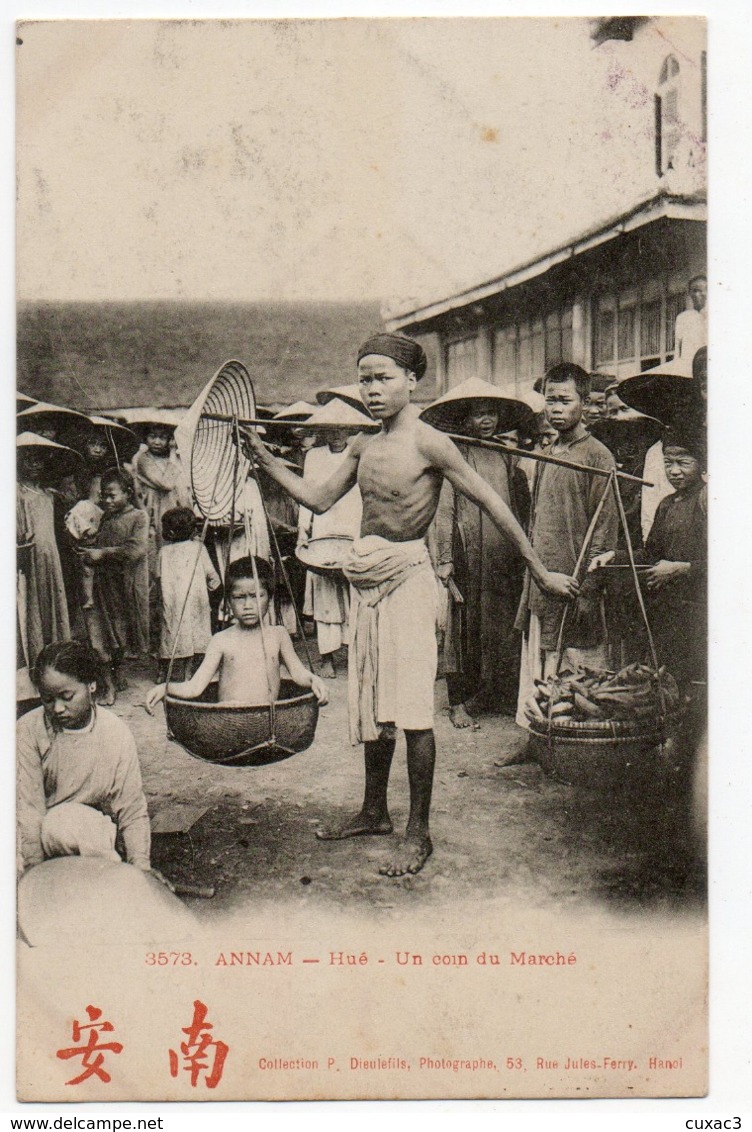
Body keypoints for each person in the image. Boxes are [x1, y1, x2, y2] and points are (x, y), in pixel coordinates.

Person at [240, 332, 578, 877]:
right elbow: (319, 499)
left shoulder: (431, 443)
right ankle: (374, 811)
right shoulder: (362, 445)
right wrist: (263, 461)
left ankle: (418, 832)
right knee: (374, 704)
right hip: (367, 585)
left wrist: (540, 570)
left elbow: (492, 503)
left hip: (410, 583)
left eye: (383, 378)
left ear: (412, 381)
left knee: (415, 712)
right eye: (365, 379)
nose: (372, 390)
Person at [515, 363, 618, 729]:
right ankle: (534, 738)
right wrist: (533, 577)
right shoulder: (548, 450)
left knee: (576, 675)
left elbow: (604, 530)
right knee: (539, 665)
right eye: (549, 400)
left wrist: (589, 590)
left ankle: (567, 747)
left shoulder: (597, 455)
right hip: (544, 578)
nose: (555, 408)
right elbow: (535, 520)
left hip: (574, 584)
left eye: (564, 400)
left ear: (585, 403)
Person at [433, 395, 530, 726]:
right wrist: (444, 557)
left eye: (491, 414)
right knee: (463, 626)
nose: (486, 421)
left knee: (498, 624)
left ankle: (493, 692)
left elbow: (511, 506)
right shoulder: (455, 453)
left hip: (501, 553)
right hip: (467, 549)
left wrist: (521, 550)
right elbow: (444, 508)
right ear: (466, 419)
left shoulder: (504, 455)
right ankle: (458, 701)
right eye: (478, 415)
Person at [17, 640, 151, 877]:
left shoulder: (115, 733)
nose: (57, 708)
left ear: (91, 685)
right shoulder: (27, 731)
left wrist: (141, 866)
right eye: (48, 699)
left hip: (86, 834)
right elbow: (29, 811)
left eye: (66, 696)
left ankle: (118, 879)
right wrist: (34, 877)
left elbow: (131, 807)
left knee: (67, 823)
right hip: (32, 834)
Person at [146, 555, 328, 711]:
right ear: (229, 602)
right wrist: (165, 688)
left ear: (270, 598)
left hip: (267, 721)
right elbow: (194, 687)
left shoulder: (278, 635)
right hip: (230, 723)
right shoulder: (221, 640)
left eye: (256, 596)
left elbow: (298, 673)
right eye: (239, 597)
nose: (248, 606)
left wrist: (314, 680)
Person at [298, 417, 363, 679]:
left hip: (354, 526)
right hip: (324, 528)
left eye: (342, 427)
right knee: (324, 593)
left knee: (355, 592)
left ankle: (355, 651)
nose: (337, 434)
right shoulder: (314, 456)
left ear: (350, 428)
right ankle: (327, 657)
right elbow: (307, 493)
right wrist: (304, 529)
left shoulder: (360, 452)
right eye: (331, 429)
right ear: (323, 431)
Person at [642, 427, 707, 689]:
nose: (675, 471)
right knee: (670, 677)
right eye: (668, 463)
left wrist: (683, 569)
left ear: (701, 462)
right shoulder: (667, 504)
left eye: (683, 462)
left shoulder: (709, 499)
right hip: (670, 609)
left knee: (697, 679)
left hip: (700, 607)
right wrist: (614, 555)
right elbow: (651, 554)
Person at [81, 469, 149, 704]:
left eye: (112, 495)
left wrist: (102, 554)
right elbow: (102, 543)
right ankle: (107, 687)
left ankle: (117, 674)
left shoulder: (139, 517)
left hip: (123, 588)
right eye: (103, 496)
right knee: (100, 637)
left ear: (128, 493)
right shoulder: (106, 517)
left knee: (119, 636)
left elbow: (136, 549)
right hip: (102, 586)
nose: (107, 501)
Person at [17, 439, 71, 668]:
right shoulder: (17, 491)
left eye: (39, 460)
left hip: (51, 555)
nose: (35, 465)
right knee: (32, 604)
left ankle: (55, 657)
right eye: (29, 459)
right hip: (30, 555)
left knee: (52, 604)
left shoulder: (49, 494)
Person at [158, 507, 221, 682]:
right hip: (195, 601)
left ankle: (163, 671)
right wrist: (211, 590)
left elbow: (158, 578)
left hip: (172, 602)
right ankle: (187, 673)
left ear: (170, 531)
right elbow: (213, 577)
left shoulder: (163, 552)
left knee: (170, 634)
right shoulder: (198, 549)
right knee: (193, 636)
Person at [674, 275, 707, 375]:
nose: (698, 294)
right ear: (690, 294)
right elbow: (677, 350)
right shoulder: (683, 318)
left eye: (702, 290)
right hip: (686, 370)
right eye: (695, 291)